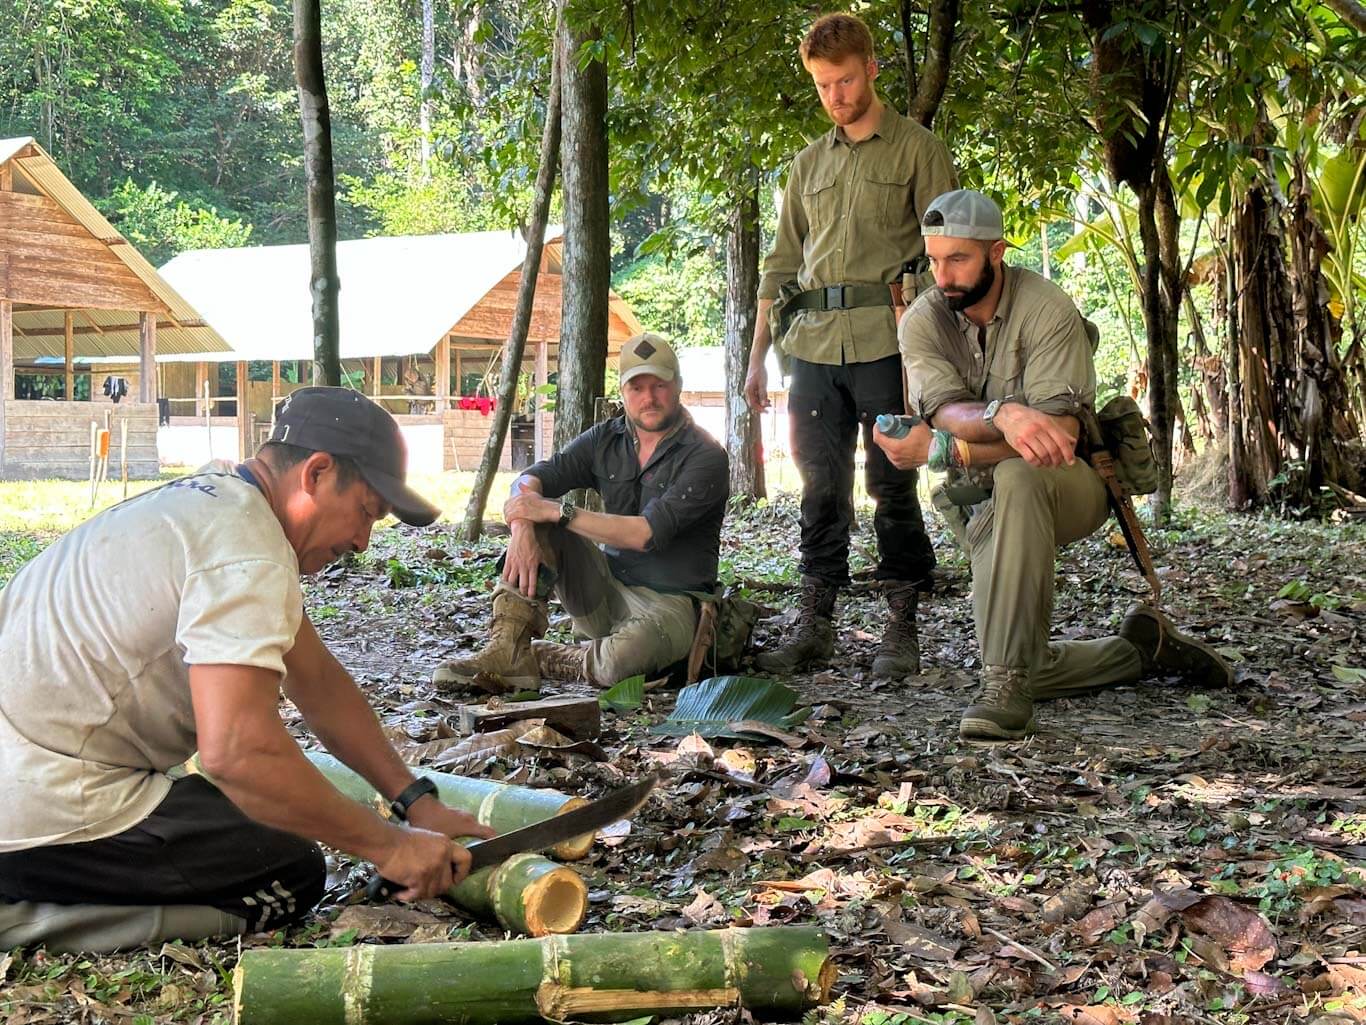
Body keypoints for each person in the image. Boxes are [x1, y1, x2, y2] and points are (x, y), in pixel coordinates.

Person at [0, 387, 494, 952]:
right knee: (287, 872)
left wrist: (416, 801)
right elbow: (237, 753)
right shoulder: (247, 550)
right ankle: (26, 923)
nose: (361, 541)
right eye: (365, 513)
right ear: (316, 473)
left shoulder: (212, 502)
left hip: (28, 765)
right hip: (38, 803)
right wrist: (392, 847)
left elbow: (319, 683)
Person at [876, 189, 1232, 742]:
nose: (942, 275)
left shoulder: (1047, 308)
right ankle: (1138, 650)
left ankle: (1004, 686)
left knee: (1022, 474)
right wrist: (1006, 415)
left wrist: (948, 449)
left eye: (958, 259)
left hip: (1071, 484)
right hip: (979, 497)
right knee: (1025, 649)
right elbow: (943, 410)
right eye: (934, 259)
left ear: (996, 253)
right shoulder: (923, 319)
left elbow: (1058, 439)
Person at [744, 12, 957, 678]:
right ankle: (815, 626)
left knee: (893, 481)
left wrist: (938, 345)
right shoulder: (806, 166)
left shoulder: (919, 151)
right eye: (822, 85)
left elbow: (947, 255)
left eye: (843, 80)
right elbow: (779, 268)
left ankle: (901, 626)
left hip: (888, 344)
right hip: (810, 346)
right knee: (820, 487)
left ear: (871, 68)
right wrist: (755, 360)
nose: (834, 96)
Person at [435, 333, 728, 690]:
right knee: (540, 523)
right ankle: (507, 650)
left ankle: (544, 658)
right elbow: (532, 479)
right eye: (637, 387)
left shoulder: (705, 455)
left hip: (671, 603)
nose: (648, 398)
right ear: (622, 391)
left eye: (659, 385)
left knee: (621, 661)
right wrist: (523, 522)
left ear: (678, 386)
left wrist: (559, 511)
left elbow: (645, 533)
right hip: (605, 592)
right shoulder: (605, 438)